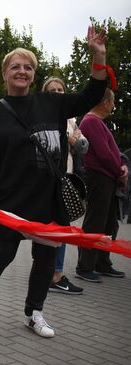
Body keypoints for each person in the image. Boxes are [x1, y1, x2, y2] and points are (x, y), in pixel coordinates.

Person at [0, 26, 108, 339]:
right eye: (15, 66)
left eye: (28, 67)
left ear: (33, 74)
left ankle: (34, 313)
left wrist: (98, 56)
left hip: (48, 199)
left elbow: (91, 95)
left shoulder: (51, 103)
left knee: (44, 259)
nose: (22, 71)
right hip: (11, 199)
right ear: (5, 74)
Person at [75, 88, 127, 282]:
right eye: (112, 102)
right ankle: (85, 266)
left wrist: (119, 170)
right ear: (106, 102)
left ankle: (102, 262)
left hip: (107, 177)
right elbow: (104, 154)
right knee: (95, 222)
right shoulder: (91, 121)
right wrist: (119, 171)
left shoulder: (96, 122)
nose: (113, 106)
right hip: (100, 177)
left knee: (108, 223)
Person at [42, 77, 85, 295]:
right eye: (52, 90)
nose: (58, 93)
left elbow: (83, 146)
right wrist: (70, 138)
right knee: (55, 228)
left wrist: (76, 140)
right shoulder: (42, 116)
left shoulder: (70, 118)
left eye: (61, 90)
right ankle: (53, 275)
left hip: (66, 179)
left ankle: (53, 273)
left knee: (62, 229)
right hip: (48, 181)